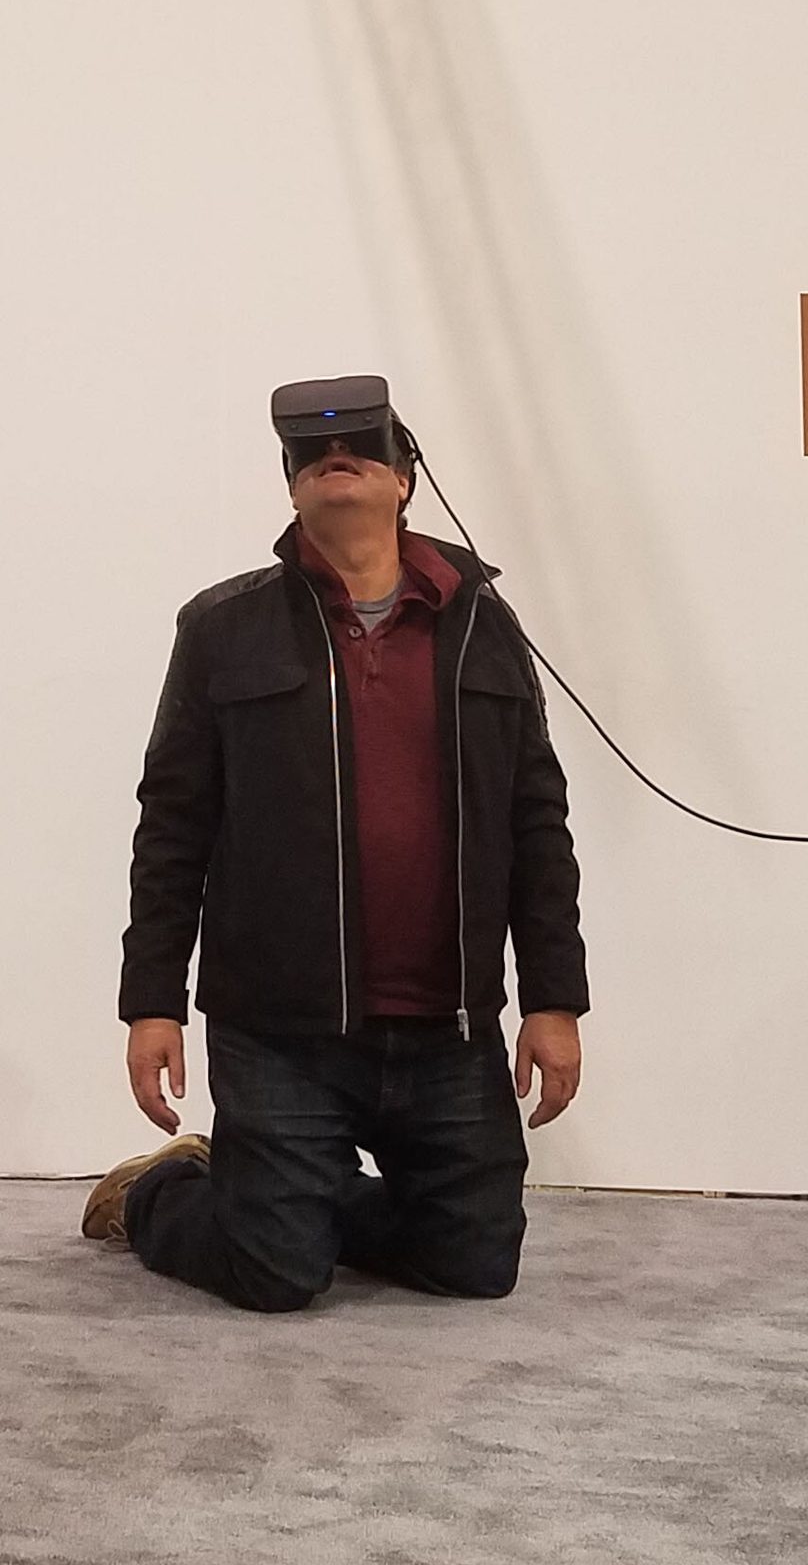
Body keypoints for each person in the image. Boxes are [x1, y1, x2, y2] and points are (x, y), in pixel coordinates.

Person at [83, 386, 589, 1312]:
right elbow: (173, 827)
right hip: (281, 1031)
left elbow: (536, 824)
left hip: (448, 1028)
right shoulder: (222, 628)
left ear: (405, 479)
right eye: (310, 455)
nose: (333, 458)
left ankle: (287, 1196)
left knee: (476, 1266)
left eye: (362, 445)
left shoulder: (486, 626)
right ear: (292, 491)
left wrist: (553, 999)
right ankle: (159, 1190)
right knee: (275, 1278)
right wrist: (151, 1002)